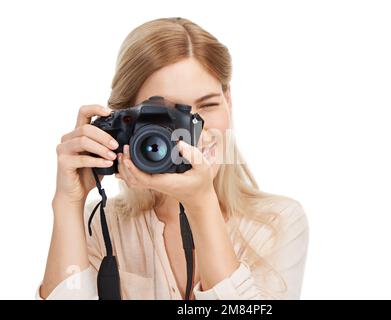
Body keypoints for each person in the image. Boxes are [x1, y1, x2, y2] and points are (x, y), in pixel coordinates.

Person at [38, 17, 309, 300]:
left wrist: (201, 205)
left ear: (228, 101)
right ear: (127, 120)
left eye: (208, 105)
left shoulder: (276, 222)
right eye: (166, 115)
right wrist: (68, 202)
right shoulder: (99, 222)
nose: (193, 130)